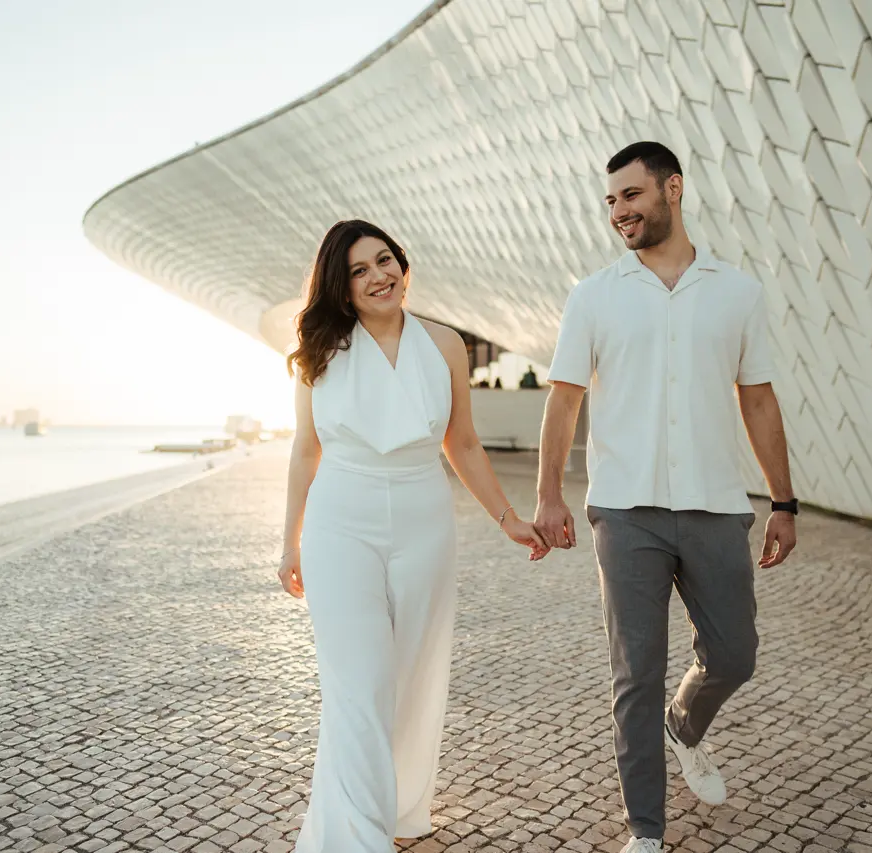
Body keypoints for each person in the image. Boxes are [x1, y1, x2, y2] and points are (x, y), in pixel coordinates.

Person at [534, 142, 797, 852]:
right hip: (625, 509)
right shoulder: (593, 295)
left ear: (672, 189)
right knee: (635, 674)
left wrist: (785, 500)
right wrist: (549, 494)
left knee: (735, 653)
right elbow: (562, 402)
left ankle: (686, 723)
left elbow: (760, 399)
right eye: (610, 201)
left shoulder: (737, 291)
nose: (618, 210)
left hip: (716, 504)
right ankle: (645, 831)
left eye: (630, 194)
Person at [277, 219, 548, 852]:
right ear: (340, 290)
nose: (379, 276)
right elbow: (303, 449)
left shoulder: (445, 344)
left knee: (411, 676)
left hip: (425, 521)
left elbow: (463, 442)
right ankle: (357, 840)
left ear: (403, 264)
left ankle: (393, 807)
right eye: (359, 271)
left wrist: (507, 518)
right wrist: (289, 541)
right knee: (359, 685)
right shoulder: (320, 349)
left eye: (385, 260)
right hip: (341, 523)